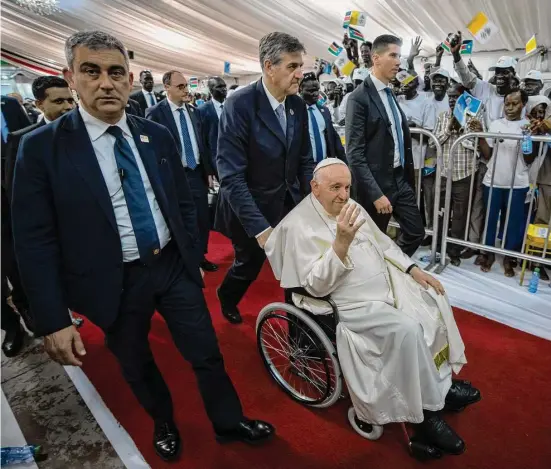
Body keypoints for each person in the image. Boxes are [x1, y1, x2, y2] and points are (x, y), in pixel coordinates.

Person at [11, 30, 274, 462]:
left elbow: (183, 202)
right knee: (136, 364)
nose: (106, 83)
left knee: (206, 352)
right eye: (90, 72)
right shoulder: (41, 148)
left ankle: (229, 422)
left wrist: (190, 253)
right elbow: (33, 239)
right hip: (111, 281)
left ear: (130, 78)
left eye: (116, 72)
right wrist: (52, 319)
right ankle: (164, 422)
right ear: (70, 77)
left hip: (171, 266)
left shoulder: (155, 134)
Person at [265, 158, 480, 456]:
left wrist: (412, 269)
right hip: (349, 304)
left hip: (388, 284)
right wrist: (340, 242)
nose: (344, 195)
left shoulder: (351, 205)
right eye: (335, 187)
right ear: (315, 188)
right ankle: (427, 415)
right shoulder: (298, 226)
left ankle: (441, 386)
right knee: (407, 329)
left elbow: (384, 245)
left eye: (347, 187)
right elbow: (315, 286)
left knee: (433, 297)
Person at [215, 31, 314, 325]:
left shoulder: (297, 105)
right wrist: (260, 229)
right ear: (269, 67)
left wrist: (312, 201)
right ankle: (227, 296)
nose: (300, 74)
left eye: (301, 66)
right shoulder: (240, 105)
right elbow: (231, 176)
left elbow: (304, 159)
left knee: (296, 268)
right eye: (292, 67)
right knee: (249, 263)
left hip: (287, 203)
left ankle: (300, 335)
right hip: (250, 208)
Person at [346, 34, 425, 257]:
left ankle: (391, 267)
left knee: (415, 232)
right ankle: (374, 278)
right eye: (393, 55)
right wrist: (376, 194)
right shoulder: (358, 98)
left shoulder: (391, 94)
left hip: (400, 180)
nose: (399, 62)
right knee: (370, 242)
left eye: (399, 56)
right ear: (376, 58)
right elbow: (354, 153)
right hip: (376, 185)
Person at [146, 71, 218, 273]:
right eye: (180, 87)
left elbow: (202, 143)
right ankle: (185, 259)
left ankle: (199, 256)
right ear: (166, 87)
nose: (185, 90)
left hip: (196, 174)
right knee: (180, 219)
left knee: (201, 218)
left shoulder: (195, 111)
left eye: (186, 86)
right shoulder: (155, 113)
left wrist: (209, 171)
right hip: (173, 176)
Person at [476, 90, 541, 276]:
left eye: (515, 104)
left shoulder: (529, 125)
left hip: (518, 182)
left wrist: (527, 137)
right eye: (507, 104)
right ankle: (487, 254)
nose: (510, 108)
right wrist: (481, 135)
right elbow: (487, 154)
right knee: (489, 220)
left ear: (523, 105)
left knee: (512, 223)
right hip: (493, 181)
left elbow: (529, 158)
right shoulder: (496, 124)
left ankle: (508, 258)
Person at [429, 83, 486, 266]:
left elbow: (476, 147)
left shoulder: (474, 117)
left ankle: (453, 250)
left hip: (465, 173)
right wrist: (449, 129)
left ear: (465, 98)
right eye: (450, 97)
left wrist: (462, 130)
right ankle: (438, 246)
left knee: (460, 215)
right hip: (444, 172)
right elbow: (433, 144)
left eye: (457, 97)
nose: (453, 100)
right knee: (440, 212)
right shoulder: (442, 117)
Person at [5, 76, 76, 196]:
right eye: (59, 101)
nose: (68, 107)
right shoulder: (23, 139)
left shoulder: (85, 131)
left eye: (70, 100)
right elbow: (16, 189)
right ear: (39, 105)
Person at [451, 31, 517, 127]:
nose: (500, 75)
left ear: (514, 74)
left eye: (505, 72)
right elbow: (467, 78)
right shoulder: (485, 88)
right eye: (497, 72)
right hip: (482, 140)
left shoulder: (517, 98)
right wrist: (456, 55)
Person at [299, 72, 346, 163]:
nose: (316, 93)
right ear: (300, 90)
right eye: (311, 91)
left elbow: (334, 138)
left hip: (324, 165)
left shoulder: (325, 111)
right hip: (303, 167)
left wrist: (345, 162)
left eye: (317, 89)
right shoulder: (296, 113)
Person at [197, 76, 227, 177]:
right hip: (217, 158)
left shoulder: (233, 105)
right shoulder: (202, 111)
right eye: (219, 87)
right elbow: (202, 141)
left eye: (224, 86)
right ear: (211, 90)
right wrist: (208, 169)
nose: (224, 89)